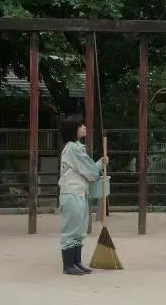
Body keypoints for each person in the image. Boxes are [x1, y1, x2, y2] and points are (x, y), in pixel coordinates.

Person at [58, 114, 108, 275]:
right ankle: (68, 265)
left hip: (79, 192)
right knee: (71, 229)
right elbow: (89, 170)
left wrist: (99, 164)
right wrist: (100, 164)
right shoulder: (72, 148)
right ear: (73, 130)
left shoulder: (77, 146)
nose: (84, 127)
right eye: (81, 126)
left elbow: (87, 168)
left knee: (79, 229)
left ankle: (77, 262)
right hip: (72, 192)